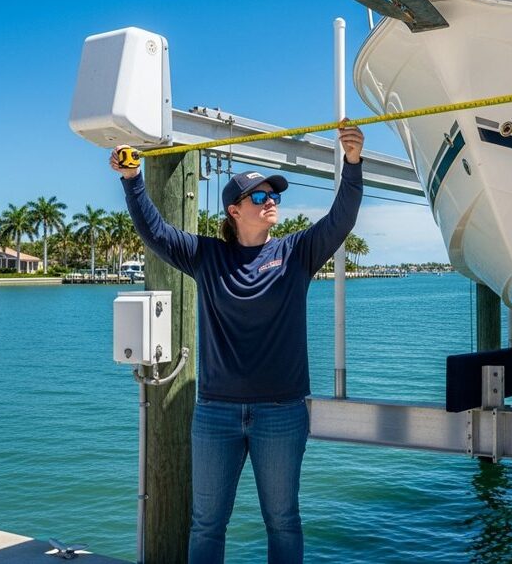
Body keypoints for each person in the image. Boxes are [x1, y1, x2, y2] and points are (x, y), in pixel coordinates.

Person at [110, 123, 365, 563]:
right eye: (261, 198)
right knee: (207, 523)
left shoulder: (297, 252)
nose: (272, 204)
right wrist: (132, 180)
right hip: (215, 413)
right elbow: (155, 232)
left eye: (275, 197)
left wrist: (354, 163)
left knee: (283, 519)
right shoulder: (208, 257)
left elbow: (341, 218)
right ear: (234, 210)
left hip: (282, 412)